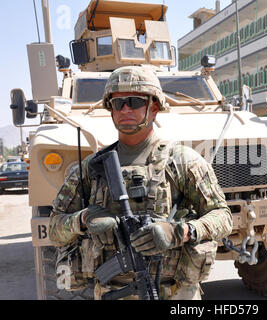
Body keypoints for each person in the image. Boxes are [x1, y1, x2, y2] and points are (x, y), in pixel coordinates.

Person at [48, 66, 233, 300]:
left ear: (154, 108)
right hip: (112, 291)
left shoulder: (183, 161)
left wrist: (182, 231)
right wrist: (84, 219)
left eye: (135, 102)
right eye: (118, 103)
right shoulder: (90, 168)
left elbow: (223, 216)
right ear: (110, 109)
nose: (126, 109)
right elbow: (54, 228)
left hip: (177, 292)